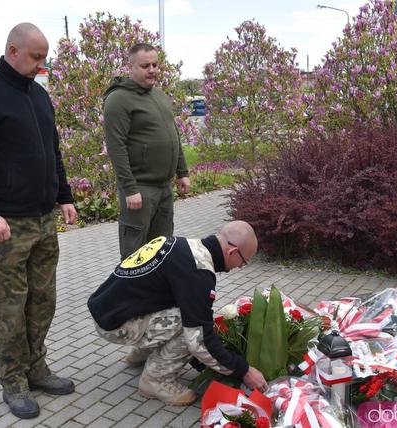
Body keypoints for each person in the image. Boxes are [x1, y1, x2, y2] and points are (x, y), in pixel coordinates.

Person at [0, 22, 77, 420]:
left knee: (43, 300)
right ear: (13, 50)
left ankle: (37, 367)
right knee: (11, 305)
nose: (41, 66)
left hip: (44, 219)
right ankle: (13, 380)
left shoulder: (40, 96)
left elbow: (53, 151)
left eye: (45, 58)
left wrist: (64, 196)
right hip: (6, 225)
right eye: (36, 58)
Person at [87, 220, 267, 406]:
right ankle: (155, 380)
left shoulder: (180, 244)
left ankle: (140, 354)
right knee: (189, 326)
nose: (240, 267)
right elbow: (200, 341)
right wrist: (244, 370)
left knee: (187, 310)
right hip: (116, 325)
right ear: (232, 252)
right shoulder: (198, 272)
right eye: (244, 262)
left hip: (108, 310)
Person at [103, 43, 191, 260]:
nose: (152, 69)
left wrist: (182, 172)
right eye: (145, 65)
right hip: (139, 189)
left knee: (162, 247)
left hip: (163, 188)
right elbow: (116, 147)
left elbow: (174, 136)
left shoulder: (160, 96)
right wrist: (130, 189)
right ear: (130, 66)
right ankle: (131, 293)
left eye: (155, 64)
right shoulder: (118, 99)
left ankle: (157, 292)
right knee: (135, 253)